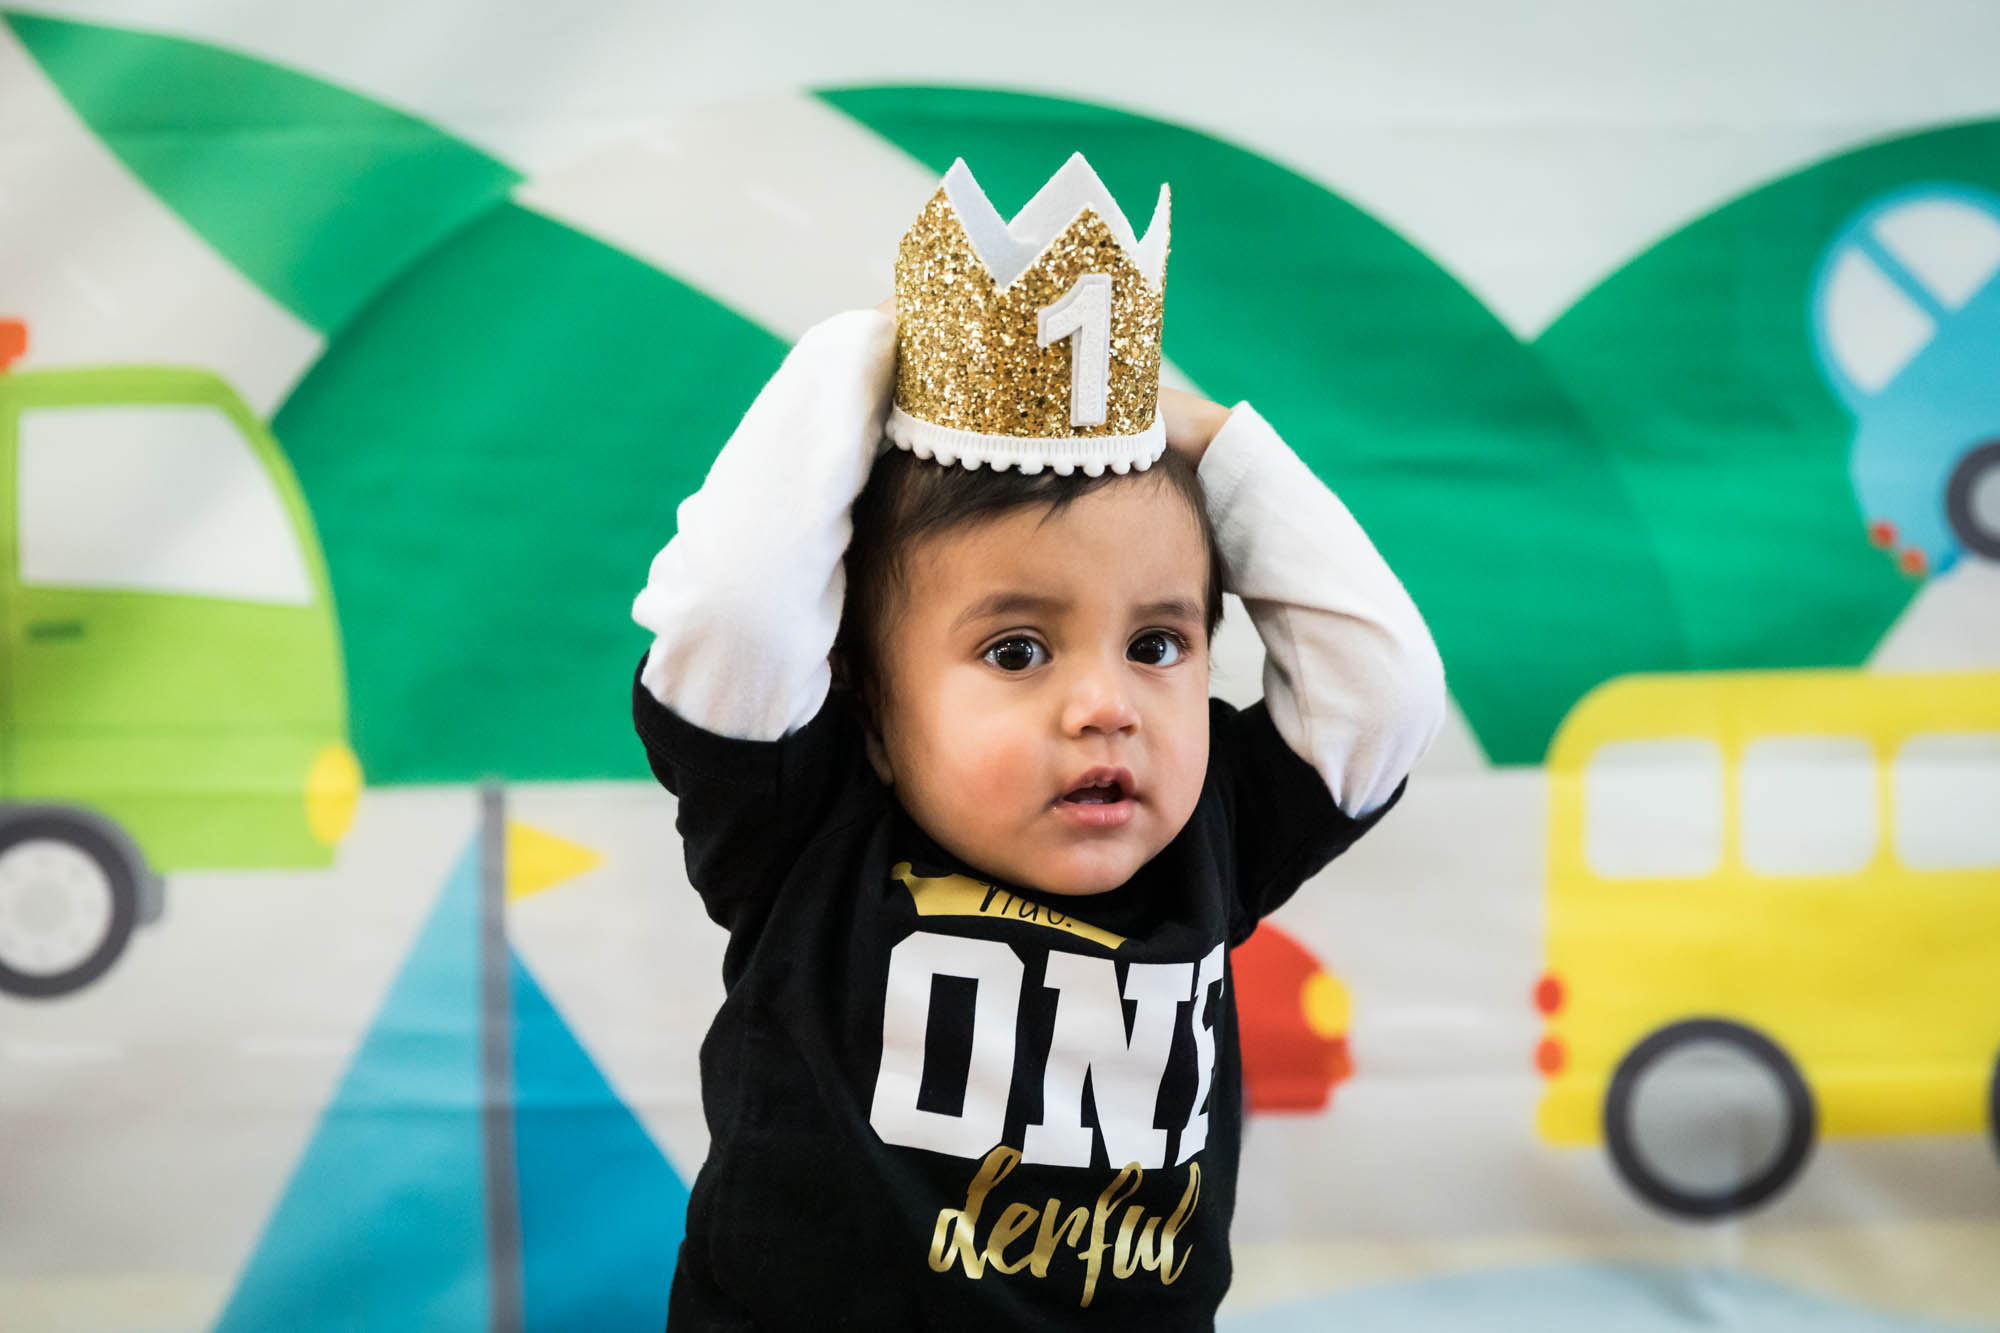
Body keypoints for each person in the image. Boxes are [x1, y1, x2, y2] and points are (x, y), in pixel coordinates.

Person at [629, 291, 1446, 1329]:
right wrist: (877, 351)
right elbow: (728, 614)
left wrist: (1209, 442)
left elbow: (1386, 693)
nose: (1106, 706)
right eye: (1015, 651)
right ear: (869, 704)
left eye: (1156, 645)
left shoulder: (1209, 835)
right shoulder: (808, 823)